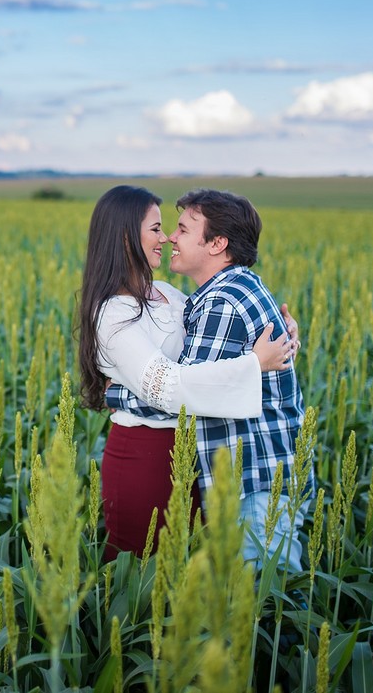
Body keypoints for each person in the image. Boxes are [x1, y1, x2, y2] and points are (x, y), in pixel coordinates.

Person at [78, 185, 296, 561]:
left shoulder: (168, 294)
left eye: (174, 228)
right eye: (156, 228)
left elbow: (218, 355)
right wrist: (254, 364)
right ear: (126, 237)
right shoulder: (113, 314)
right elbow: (170, 387)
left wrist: (282, 336)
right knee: (147, 573)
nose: (166, 237)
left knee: (190, 576)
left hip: (197, 459)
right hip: (145, 459)